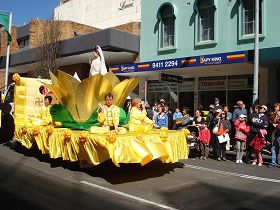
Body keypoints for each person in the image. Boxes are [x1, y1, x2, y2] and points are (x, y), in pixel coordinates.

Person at [268, 103, 280, 167]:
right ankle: (273, 162)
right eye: (275, 107)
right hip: (276, 132)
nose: (275, 108)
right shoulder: (274, 114)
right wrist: (273, 123)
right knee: (274, 148)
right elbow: (270, 119)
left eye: (277, 107)